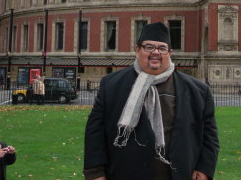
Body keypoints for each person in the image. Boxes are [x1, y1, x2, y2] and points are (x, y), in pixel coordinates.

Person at [84, 22, 219, 180]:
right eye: (149, 47)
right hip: (125, 174)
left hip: (180, 174)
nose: (156, 52)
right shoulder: (111, 85)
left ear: (169, 53)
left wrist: (204, 169)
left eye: (162, 48)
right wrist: (95, 173)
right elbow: (95, 132)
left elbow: (210, 135)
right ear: (137, 50)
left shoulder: (198, 90)